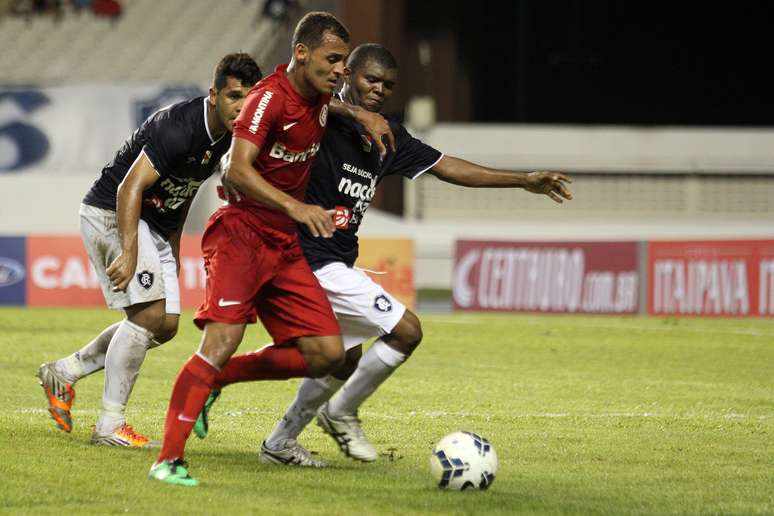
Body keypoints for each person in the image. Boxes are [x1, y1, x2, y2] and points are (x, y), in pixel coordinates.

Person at [194, 43, 573, 466]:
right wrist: (354, 112)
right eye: (369, 79)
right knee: (407, 330)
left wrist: (522, 180)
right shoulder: (322, 114)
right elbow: (296, 101)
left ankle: (277, 441)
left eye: (387, 85)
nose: (377, 90)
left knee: (342, 358)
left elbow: (449, 167)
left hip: (336, 258)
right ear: (348, 75)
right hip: (305, 256)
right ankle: (340, 413)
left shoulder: (387, 136)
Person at [148, 12, 395, 487]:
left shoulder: (321, 96)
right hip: (242, 234)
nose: (342, 69)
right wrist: (298, 208)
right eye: (334, 59)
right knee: (220, 343)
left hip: (283, 245)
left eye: (345, 61)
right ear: (301, 53)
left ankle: (216, 380)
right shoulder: (267, 99)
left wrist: (360, 111)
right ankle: (168, 459)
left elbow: (331, 108)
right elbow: (237, 170)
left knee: (326, 354)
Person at [35, 53, 263, 447]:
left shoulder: (229, 137)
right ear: (213, 95)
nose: (240, 107)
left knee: (165, 326)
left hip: (154, 224)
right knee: (147, 315)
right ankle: (109, 424)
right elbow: (129, 188)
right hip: (111, 212)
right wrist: (127, 251)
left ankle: (64, 371)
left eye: (248, 98)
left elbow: (186, 192)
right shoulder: (178, 128)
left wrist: (172, 249)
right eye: (233, 96)